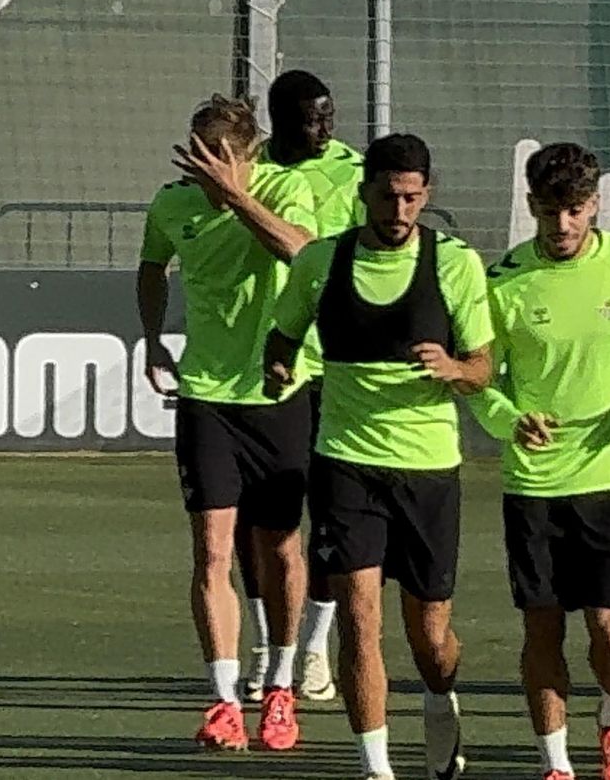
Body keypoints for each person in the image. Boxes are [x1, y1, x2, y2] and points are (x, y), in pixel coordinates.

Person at [263, 132, 493, 780]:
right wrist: (278, 368)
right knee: (360, 617)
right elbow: (280, 339)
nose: (400, 210)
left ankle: (441, 696)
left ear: (427, 195)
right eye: (389, 196)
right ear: (365, 192)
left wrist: (452, 367)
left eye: (412, 197)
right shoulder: (321, 263)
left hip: (429, 470)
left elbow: (483, 368)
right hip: (345, 463)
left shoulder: (454, 265)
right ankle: (376, 769)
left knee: (431, 641)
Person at [470, 143, 610, 780]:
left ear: (595, 204)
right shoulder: (504, 282)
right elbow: (477, 375)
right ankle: (556, 764)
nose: (562, 225)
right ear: (529, 206)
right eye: (549, 211)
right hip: (534, 484)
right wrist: (507, 419)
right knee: (541, 631)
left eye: (574, 210)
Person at [138, 94, 316, 752]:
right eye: (198, 158)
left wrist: (238, 199)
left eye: (221, 161)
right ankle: (222, 700)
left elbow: (303, 252)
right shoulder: (171, 203)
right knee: (212, 554)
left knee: (279, 550)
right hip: (207, 396)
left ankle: (280, 684)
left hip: (279, 393)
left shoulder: (286, 189)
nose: (206, 172)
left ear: (250, 157)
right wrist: (153, 338)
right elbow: (152, 266)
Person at [236, 69, 364, 704]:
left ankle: (314, 649)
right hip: (265, 364)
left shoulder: (353, 171)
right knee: (259, 521)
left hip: (333, 365)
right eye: (312, 119)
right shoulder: (251, 169)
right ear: (278, 121)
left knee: (332, 516)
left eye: (330, 116)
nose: (325, 129)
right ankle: (266, 647)